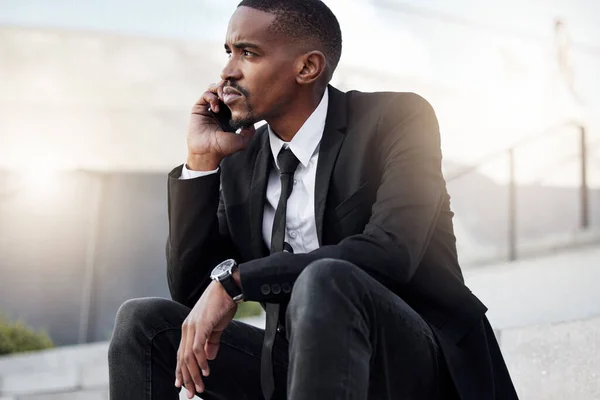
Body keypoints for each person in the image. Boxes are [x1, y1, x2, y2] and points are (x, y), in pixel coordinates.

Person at [108, 0, 518, 399]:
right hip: (302, 367)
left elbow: (390, 252)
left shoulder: (396, 118)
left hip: (413, 363)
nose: (227, 71)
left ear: (307, 67)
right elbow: (195, 292)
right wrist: (201, 160)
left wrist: (237, 283)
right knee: (143, 324)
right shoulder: (241, 158)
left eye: (248, 53)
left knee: (326, 278)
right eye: (229, 51)